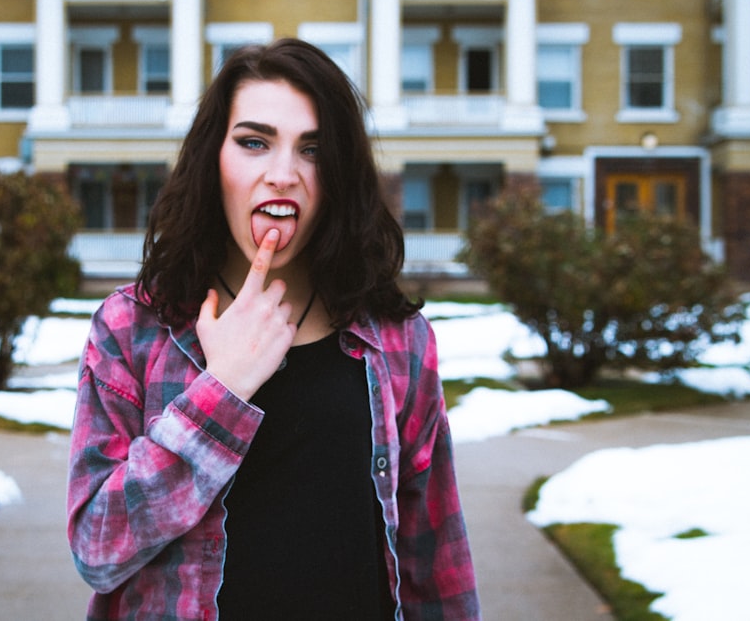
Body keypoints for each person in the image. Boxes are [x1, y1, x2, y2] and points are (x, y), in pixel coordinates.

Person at [67, 38, 480, 620]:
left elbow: (437, 561)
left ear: (338, 174)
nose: (282, 174)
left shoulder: (398, 341)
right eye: (254, 142)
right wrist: (222, 393)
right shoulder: (132, 328)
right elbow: (97, 548)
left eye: (312, 150)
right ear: (215, 158)